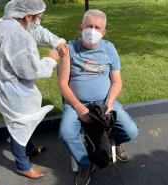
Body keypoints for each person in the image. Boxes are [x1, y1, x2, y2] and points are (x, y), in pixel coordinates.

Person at [0, 0, 68, 179]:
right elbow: (29, 71)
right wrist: (50, 60)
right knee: (19, 125)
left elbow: (38, 32)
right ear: (28, 16)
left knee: (25, 121)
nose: (41, 19)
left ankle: (28, 148)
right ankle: (22, 164)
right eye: (39, 16)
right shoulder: (15, 35)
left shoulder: (12, 21)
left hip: (12, 84)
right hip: (13, 88)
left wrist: (57, 41)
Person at [58, 9, 138, 185]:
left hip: (104, 101)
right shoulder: (69, 49)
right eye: (89, 26)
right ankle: (85, 164)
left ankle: (115, 142)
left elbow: (116, 81)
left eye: (97, 27)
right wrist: (79, 108)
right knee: (66, 133)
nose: (92, 30)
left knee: (131, 130)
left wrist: (109, 103)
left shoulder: (109, 49)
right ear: (81, 28)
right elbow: (63, 83)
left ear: (103, 32)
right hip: (76, 104)